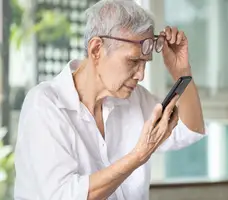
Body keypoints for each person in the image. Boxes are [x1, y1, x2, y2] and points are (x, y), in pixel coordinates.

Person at [14, 0, 207, 199]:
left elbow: (190, 128)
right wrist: (139, 155)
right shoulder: (44, 105)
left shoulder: (134, 98)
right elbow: (64, 195)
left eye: (145, 63)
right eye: (133, 61)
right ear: (96, 50)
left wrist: (182, 71)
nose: (141, 75)